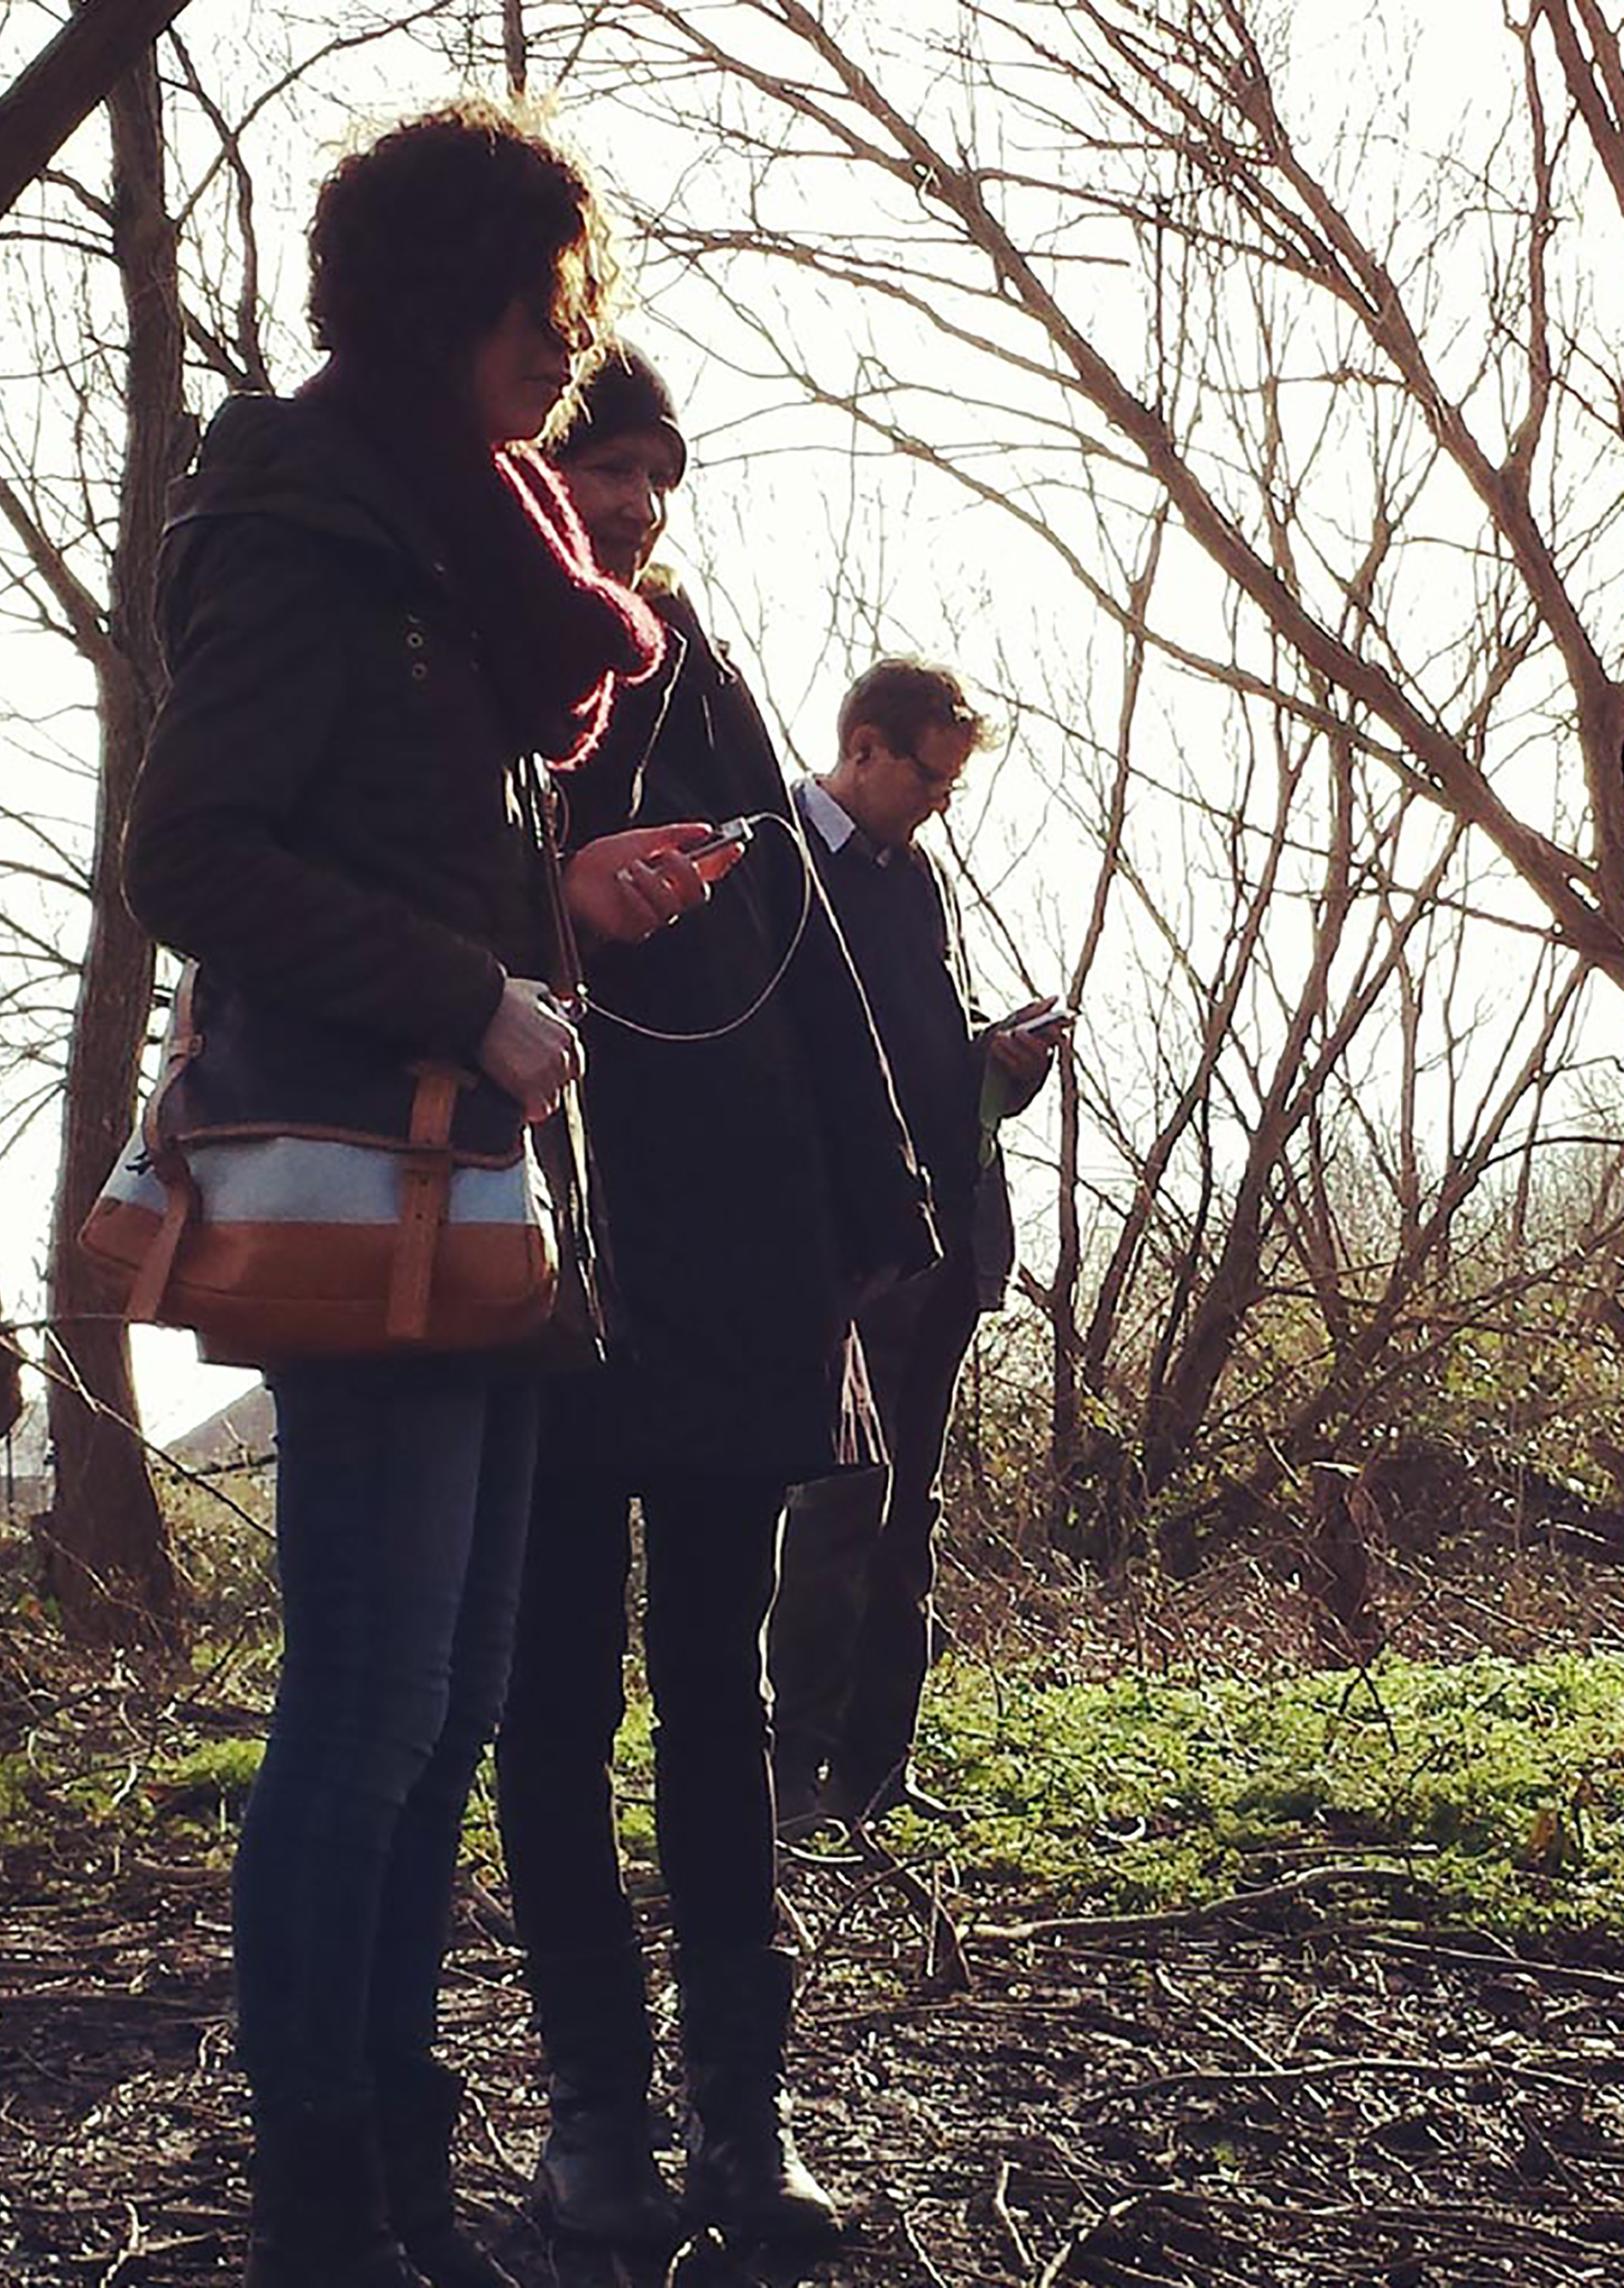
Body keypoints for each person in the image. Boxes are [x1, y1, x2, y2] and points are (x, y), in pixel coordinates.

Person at [121, 103, 730, 2288]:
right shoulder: (300, 520)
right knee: (366, 1700)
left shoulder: (466, 544)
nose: (567, 358)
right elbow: (195, 853)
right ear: (452, 297)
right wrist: (473, 989)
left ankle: (387, 2162)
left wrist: (549, 919)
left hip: (465, 1177)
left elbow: (399, 849)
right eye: (545, 310)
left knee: (449, 1697)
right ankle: (319, 2207)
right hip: (356, 1169)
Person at [494, 348, 939, 2250]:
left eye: (658, 474)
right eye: (602, 465)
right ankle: (589, 2106)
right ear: (528, 461)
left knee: (719, 1691)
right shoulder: (458, 657)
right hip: (536, 1259)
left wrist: (874, 1189)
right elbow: (352, 885)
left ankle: (744, 2118)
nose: (634, 508)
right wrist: (548, 888)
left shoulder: (701, 675)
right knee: (545, 1699)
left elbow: (809, 934)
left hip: (736, 1253)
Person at [767, 659, 1065, 1828]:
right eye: (931, 777)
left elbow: (928, 1065)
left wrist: (1002, 1061)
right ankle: (789, 1776)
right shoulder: (777, 864)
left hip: (943, 1242)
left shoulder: (918, 883)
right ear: (865, 749)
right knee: (835, 1508)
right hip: (838, 1248)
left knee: (907, 1520)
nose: (942, 800)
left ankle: (876, 1772)